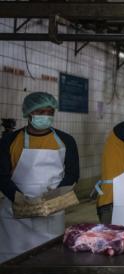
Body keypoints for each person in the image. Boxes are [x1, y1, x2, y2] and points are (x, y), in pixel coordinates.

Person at [0, 92, 79, 262]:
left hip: (51, 209)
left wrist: (56, 197)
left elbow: (72, 173)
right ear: (29, 113)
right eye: (40, 112)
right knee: (13, 260)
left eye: (50, 113)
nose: (46, 116)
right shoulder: (10, 140)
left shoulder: (66, 140)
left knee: (50, 258)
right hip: (16, 211)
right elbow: (1, 175)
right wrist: (18, 198)